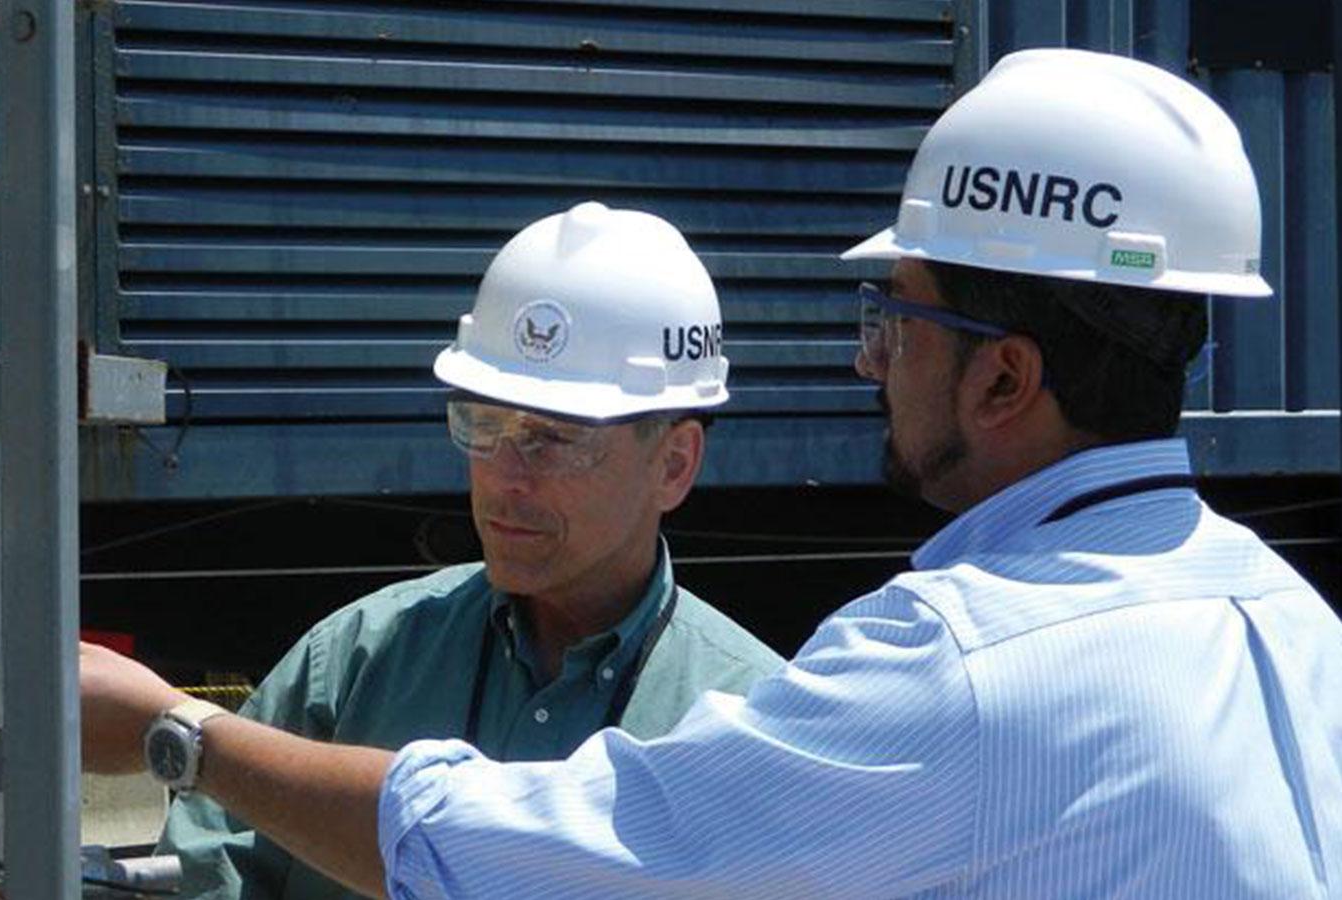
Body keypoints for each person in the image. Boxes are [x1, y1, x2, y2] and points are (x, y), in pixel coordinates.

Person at [79, 49, 1342, 898]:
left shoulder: (956, 671)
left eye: (893, 321)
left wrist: (173, 730)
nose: (871, 364)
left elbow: (545, 857)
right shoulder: (1294, 623)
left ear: (1004, 379)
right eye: (490, 425)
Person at [154, 201, 782, 899]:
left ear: (673, 464)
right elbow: (204, 866)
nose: (505, 476)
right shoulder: (359, 660)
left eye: (557, 438)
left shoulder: (751, 722)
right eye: (484, 423)